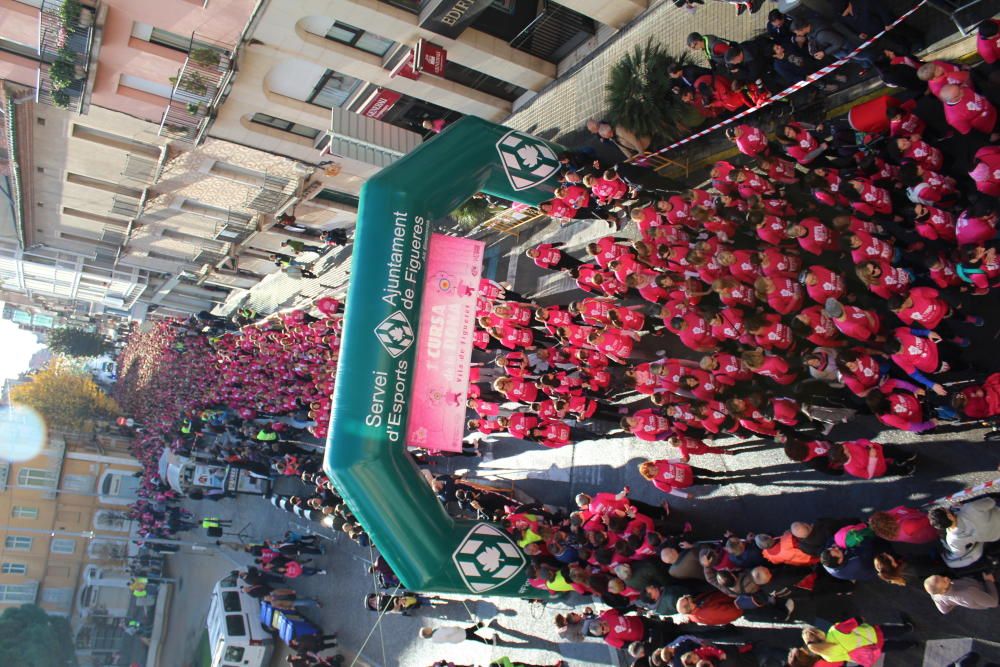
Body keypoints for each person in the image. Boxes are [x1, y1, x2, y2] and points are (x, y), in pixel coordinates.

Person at [924, 573, 999, 614]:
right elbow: (993, 603)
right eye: (944, 581)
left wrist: (955, 603)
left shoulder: (936, 596)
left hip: (976, 594)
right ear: (942, 591)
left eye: (942, 577)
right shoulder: (968, 592)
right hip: (988, 592)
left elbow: (944, 611)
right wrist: (989, 581)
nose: (946, 578)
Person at [419, 621, 495, 645]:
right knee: (475, 637)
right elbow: (450, 631)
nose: (427, 627)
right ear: (427, 632)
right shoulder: (437, 633)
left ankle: (481, 625)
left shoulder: (435, 637)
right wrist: (456, 627)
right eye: (426, 629)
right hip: (459, 634)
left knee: (470, 631)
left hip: (457, 637)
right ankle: (491, 642)